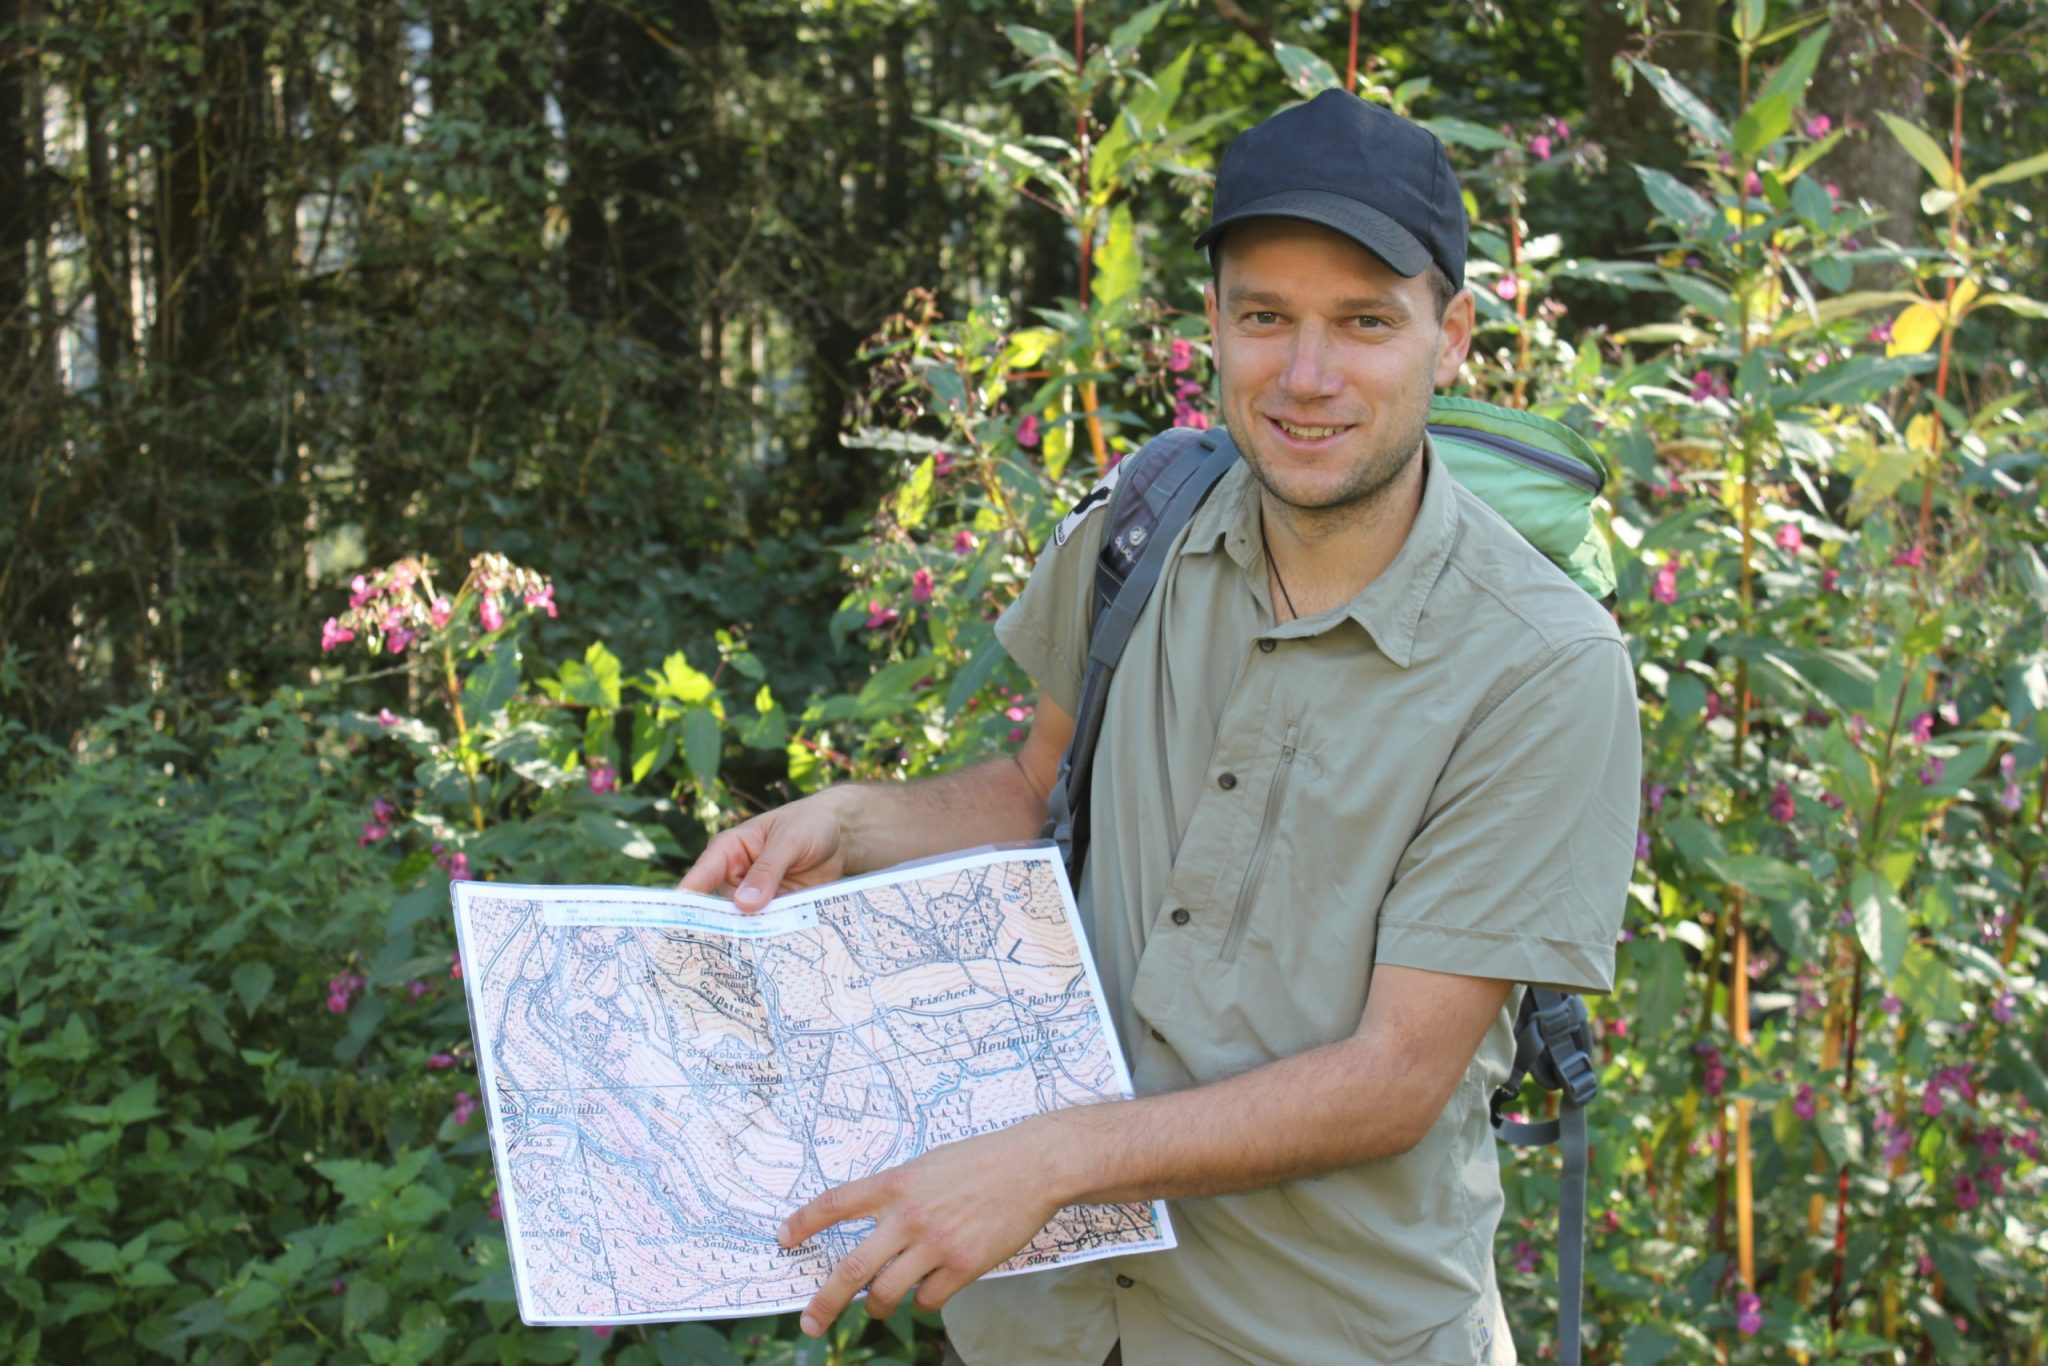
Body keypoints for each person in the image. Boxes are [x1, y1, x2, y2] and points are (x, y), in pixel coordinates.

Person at [681, 88, 1641, 1365]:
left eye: (1363, 322)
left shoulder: (1542, 666)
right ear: (1212, 325)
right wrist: (850, 824)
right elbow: (1036, 790)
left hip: (1319, 1336)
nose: (1306, 377)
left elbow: (1394, 1076)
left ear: (1449, 334)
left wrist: (1050, 1159)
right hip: (1045, 1318)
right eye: (1265, 318)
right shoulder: (1139, 529)